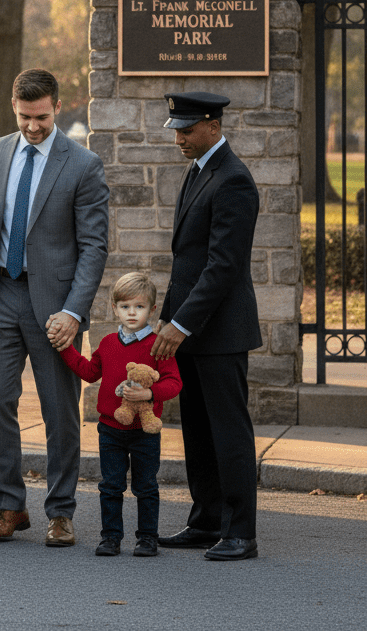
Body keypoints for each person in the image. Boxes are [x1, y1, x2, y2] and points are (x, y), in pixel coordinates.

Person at [0, 68, 109, 547]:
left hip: (54, 307)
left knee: (59, 410)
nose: (32, 126)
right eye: (24, 116)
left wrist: (74, 311)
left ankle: (61, 512)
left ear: (57, 108)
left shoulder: (83, 164)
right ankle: (9, 506)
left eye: (41, 117)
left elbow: (93, 246)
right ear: (13, 107)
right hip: (0, 294)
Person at [150, 91, 261, 561]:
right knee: (196, 430)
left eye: (186, 128)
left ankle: (241, 532)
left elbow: (222, 267)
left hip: (219, 333)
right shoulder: (199, 171)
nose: (178, 137)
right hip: (191, 330)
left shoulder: (233, 180)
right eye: (175, 128)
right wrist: (170, 322)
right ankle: (206, 520)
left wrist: (180, 323)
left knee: (228, 433)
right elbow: (187, 260)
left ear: (213, 126)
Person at [53, 272, 182, 558]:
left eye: (139, 307)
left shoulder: (158, 345)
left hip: (145, 432)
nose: (132, 312)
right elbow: (89, 372)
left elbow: (174, 383)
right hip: (110, 429)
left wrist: (150, 394)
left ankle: (147, 538)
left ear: (151, 309)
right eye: (125, 307)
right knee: (110, 486)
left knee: (145, 487)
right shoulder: (109, 343)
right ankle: (111, 537)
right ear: (115, 309)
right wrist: (65, 349)